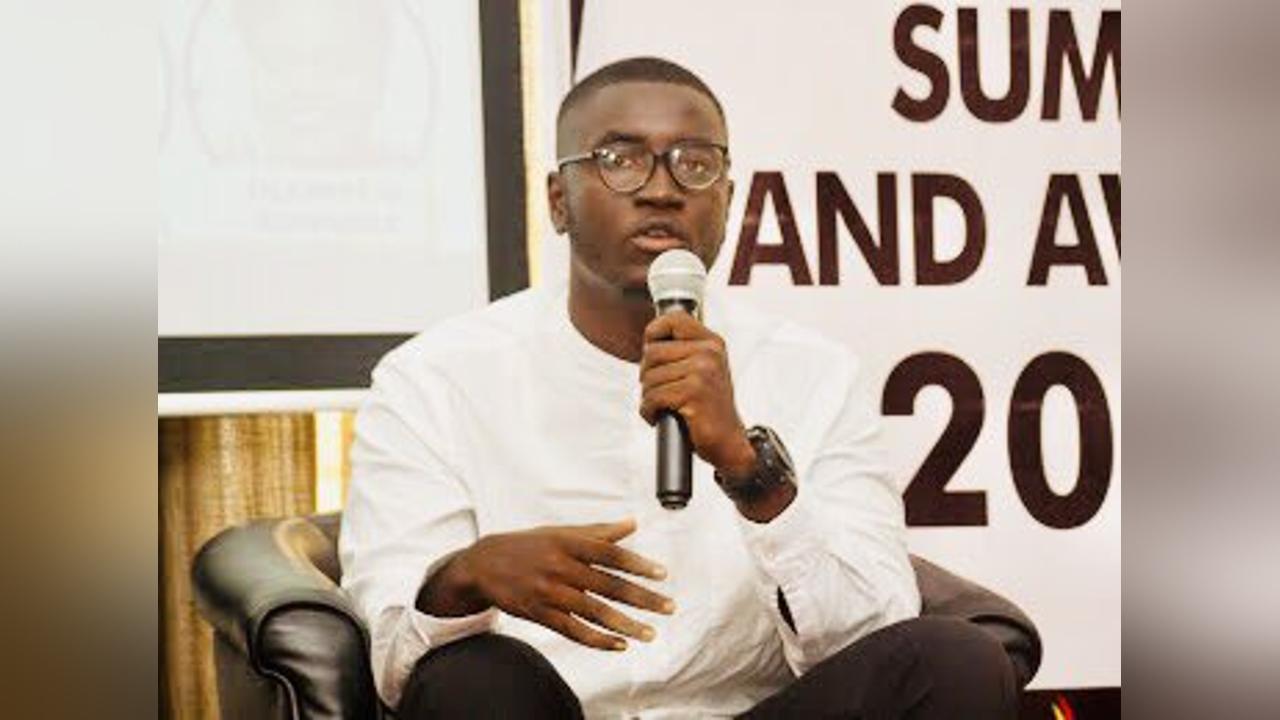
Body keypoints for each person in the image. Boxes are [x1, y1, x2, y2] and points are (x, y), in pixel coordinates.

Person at [339, 56, 1017, 718]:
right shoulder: (432, 379)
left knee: (955, 661)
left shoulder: (815, 373)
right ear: (558, 201)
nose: (661, 189)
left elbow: (874, 638)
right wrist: (466, 577)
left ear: (728, 201)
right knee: (473, 679)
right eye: (619, 159)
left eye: (695, 164)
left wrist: (753, 473)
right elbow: (395, 667)